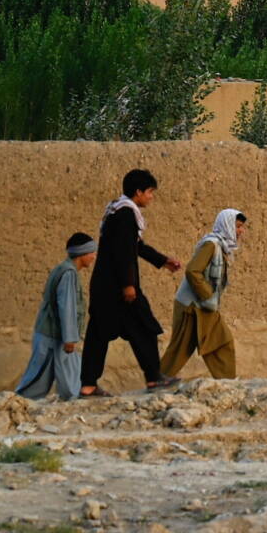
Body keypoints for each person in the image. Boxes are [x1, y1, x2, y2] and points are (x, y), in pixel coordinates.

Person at [84, 168, 184, 395]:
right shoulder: (126, 214)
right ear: (138, 192)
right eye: (149, 192)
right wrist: (128, 284)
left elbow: (134, 246)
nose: (151, 197)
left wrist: (163, 260)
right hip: (119, 288)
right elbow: (124, 252)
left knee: (98, 335)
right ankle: (154, 379)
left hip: (105, 286)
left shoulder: (116, 212)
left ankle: (88, 386)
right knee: (145, 328)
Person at [159, 208, 245, 381]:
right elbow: (192, 271)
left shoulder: (221, 246)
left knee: (222, 341)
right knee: (180, 348)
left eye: (242, 227)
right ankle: (158, 381)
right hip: (192, 305)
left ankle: (226, 383)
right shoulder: (211, 245)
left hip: (204, 306)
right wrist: (207, 295)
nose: (241, 231)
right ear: (227, 225)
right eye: (238, 226)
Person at [13, 233, 95, 401]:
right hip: (52, 336)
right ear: (82, 254)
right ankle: (15, 404)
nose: (94, 256)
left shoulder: (64, 269)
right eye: (92, 252)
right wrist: (70, 338)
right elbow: (67, 306)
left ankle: (74, 399)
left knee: (73, 373)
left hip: (55, 335)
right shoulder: (68, 274)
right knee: (37, 379)